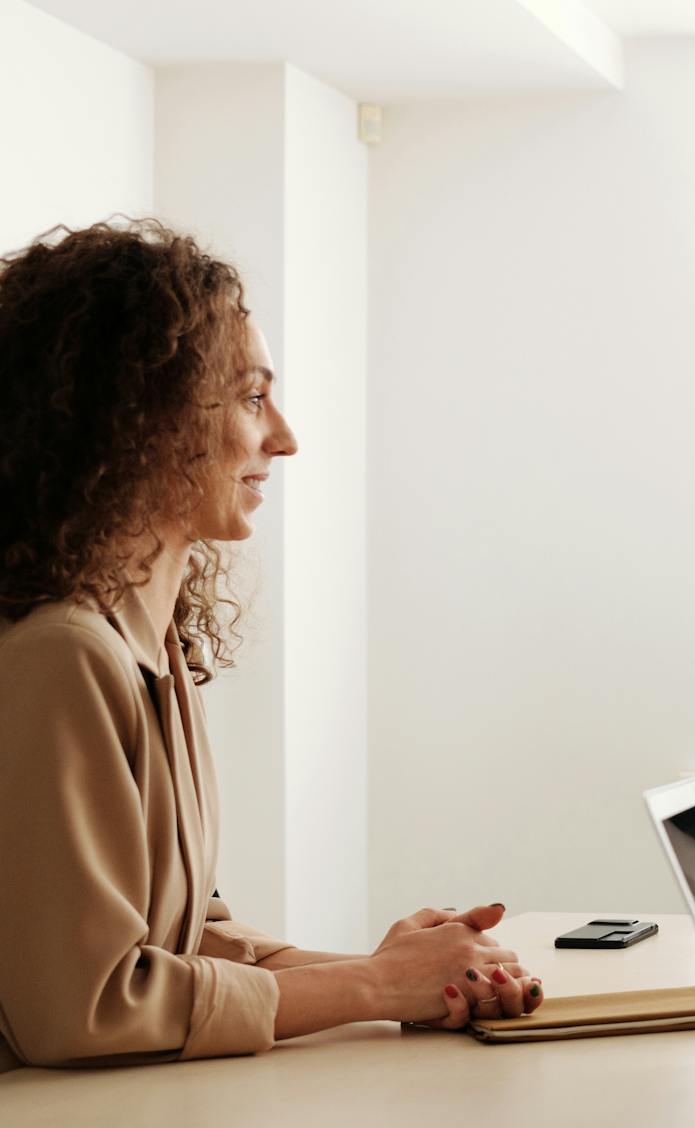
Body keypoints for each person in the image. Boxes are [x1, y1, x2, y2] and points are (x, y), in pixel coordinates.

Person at [0, 220, 540, 1071]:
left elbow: (187, 941)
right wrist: (372, 988)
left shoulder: (149, 646)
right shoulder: (64, 656)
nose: (283, 436)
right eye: (252, 398)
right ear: (141, 420)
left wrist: (418, 974)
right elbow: (88, 1006)